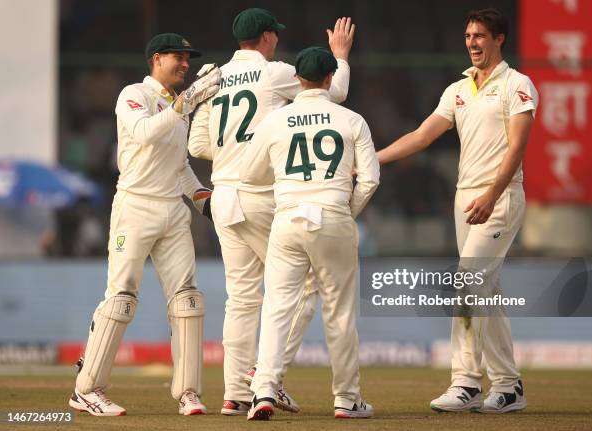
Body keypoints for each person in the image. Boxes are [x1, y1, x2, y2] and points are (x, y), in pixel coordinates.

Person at [188, 8, 355, 416]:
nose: (276, 40)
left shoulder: (216, 75)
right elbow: (334, 96)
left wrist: (231, 150)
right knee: (305, 285)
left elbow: (196, 146)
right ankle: (267, 377)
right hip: (261, 195)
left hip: (223, 196)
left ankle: (233, 393)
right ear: (265, 38)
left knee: (242, 298)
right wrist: (341, 56)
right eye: (274, 35)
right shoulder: (276, 72)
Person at [376, 8, 538, 413]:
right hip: (465, 198)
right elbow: (420, 136)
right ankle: (508, 386)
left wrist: (491, 195)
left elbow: (517, 148)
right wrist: (373, 158)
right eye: (468, 36)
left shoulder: (517, 84)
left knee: (468, 283)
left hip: (499, 198)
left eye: (480, 35)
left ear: (499, 39)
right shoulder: (458, 89)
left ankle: (465, 382)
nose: (472, 43)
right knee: (488, 291)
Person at [68, 33, 221, 416]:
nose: (185, 64)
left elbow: (179, 165)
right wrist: (187, 103)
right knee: (121, 298)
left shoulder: (175, 105)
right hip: (135, 208)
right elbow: (143, 133)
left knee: (188, 299)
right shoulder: (133, 94)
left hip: (173, 211)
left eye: (189, 59)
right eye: (178, 57)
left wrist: (203, 200)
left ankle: (188, 392)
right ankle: (87, 389)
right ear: (156, 59)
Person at [241, 46, 379, 420]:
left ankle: (264, 390)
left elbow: (252, 175)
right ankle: (347, 399)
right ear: (331, 78)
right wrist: (344, 212)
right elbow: (369, 180)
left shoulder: (276, 120)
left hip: (288, 218)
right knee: (340, 313)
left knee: (277, 308)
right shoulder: (352, 120)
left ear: (297, 79)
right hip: (333, 216)